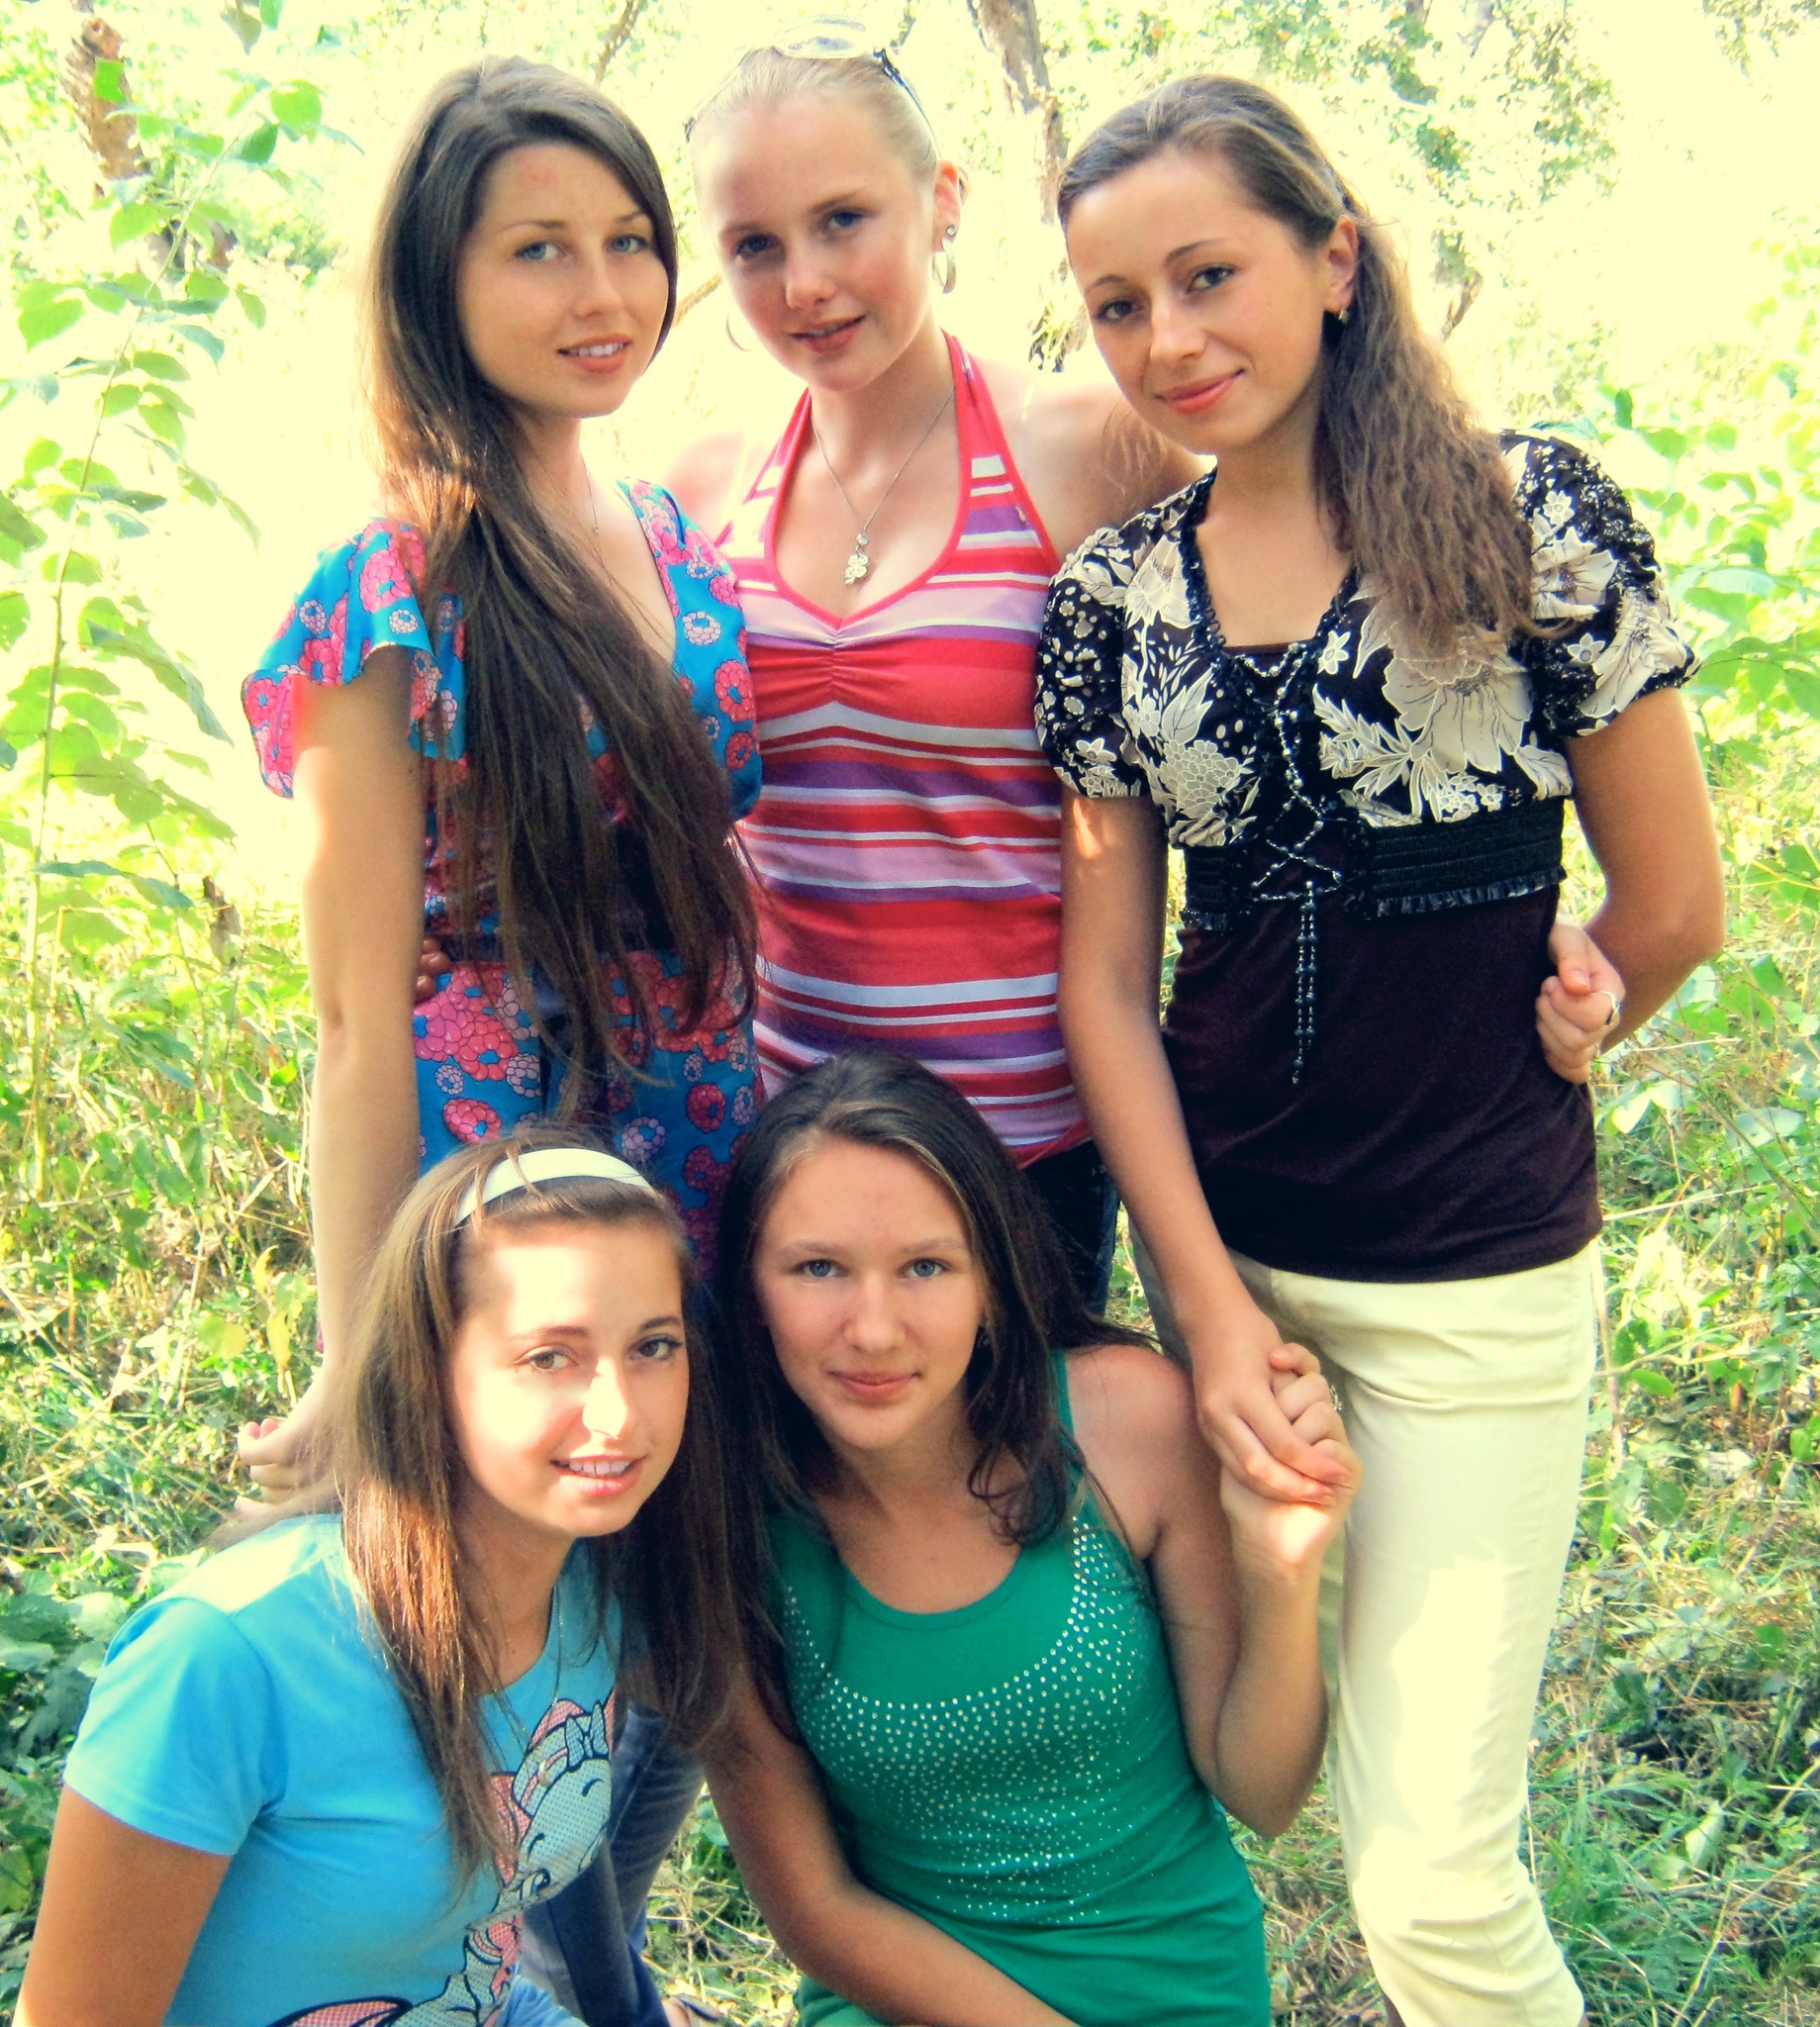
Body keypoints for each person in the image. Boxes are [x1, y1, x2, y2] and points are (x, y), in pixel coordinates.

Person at [1035, 75, 1726, 2027]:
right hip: (1235, 1267)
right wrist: (1201, 1306)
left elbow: (1675, 901)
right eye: (1116, 305)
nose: (1169, 338)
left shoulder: (1527, 517)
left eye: (1210, 275)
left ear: (1334, 257)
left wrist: (1590, 998)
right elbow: (1108, 987)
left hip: (1472, 1284)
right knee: (1257, 1781)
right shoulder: (1112, 603)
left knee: (1429, 1870)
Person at [236, 61, 750, 2027]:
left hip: (695, 1167)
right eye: (538, 249)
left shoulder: (667, 533)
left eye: (628, 241)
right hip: (505, 1207)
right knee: (530, 1664)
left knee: (683, 1626)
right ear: (437, 287)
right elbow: (356, 1016)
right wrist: (354, 1354)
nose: (600, 290)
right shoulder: (387, 592)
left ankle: (589, 1978)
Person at [666, 19, 1198, 1309]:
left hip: (1028, 1148)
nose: (803, 283)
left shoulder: (1087, 449)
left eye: (842, 220)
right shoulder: (700, 490)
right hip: (791, 1153)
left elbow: (1286, 648)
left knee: (1036, 1446)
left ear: (941, 199)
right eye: (754, 246)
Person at [17, 1134, 740, 2027]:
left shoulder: (593, 1592)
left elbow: (467, 1968)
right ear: (429, 1368)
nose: (618, 1414)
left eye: (653, 1347)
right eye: (549, 1357)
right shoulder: (226, 1657)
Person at [703, 1048, 1360, 2027]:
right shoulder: (725, 1522)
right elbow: (815, 1909)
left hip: (1171, 1990)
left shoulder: (1124, 1423)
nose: (872, 1329)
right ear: (750, 1288)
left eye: (926, 1266)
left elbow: (1262, 1792)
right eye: (817, 1268)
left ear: (991, 1281)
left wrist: (1279, 1568)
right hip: (904, 1997)